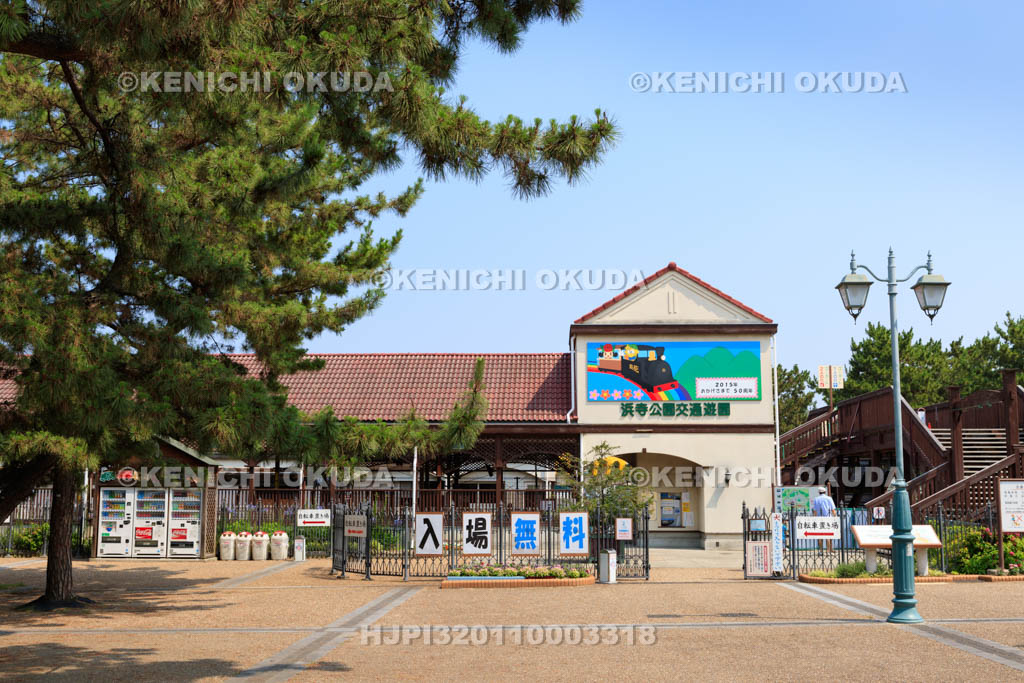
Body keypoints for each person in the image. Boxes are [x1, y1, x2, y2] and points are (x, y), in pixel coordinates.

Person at [811, 486, 837, 553]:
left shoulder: (816, 499)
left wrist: (815, 519)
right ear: (825, 492)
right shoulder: (829, 498)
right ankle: (828, 551)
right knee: (828, 535)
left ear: (819, 492)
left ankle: (821, 551)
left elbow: (815, 511)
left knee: (820, 535)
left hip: (819, 519)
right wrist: (835, 517)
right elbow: (833, 510)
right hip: (828, 518)